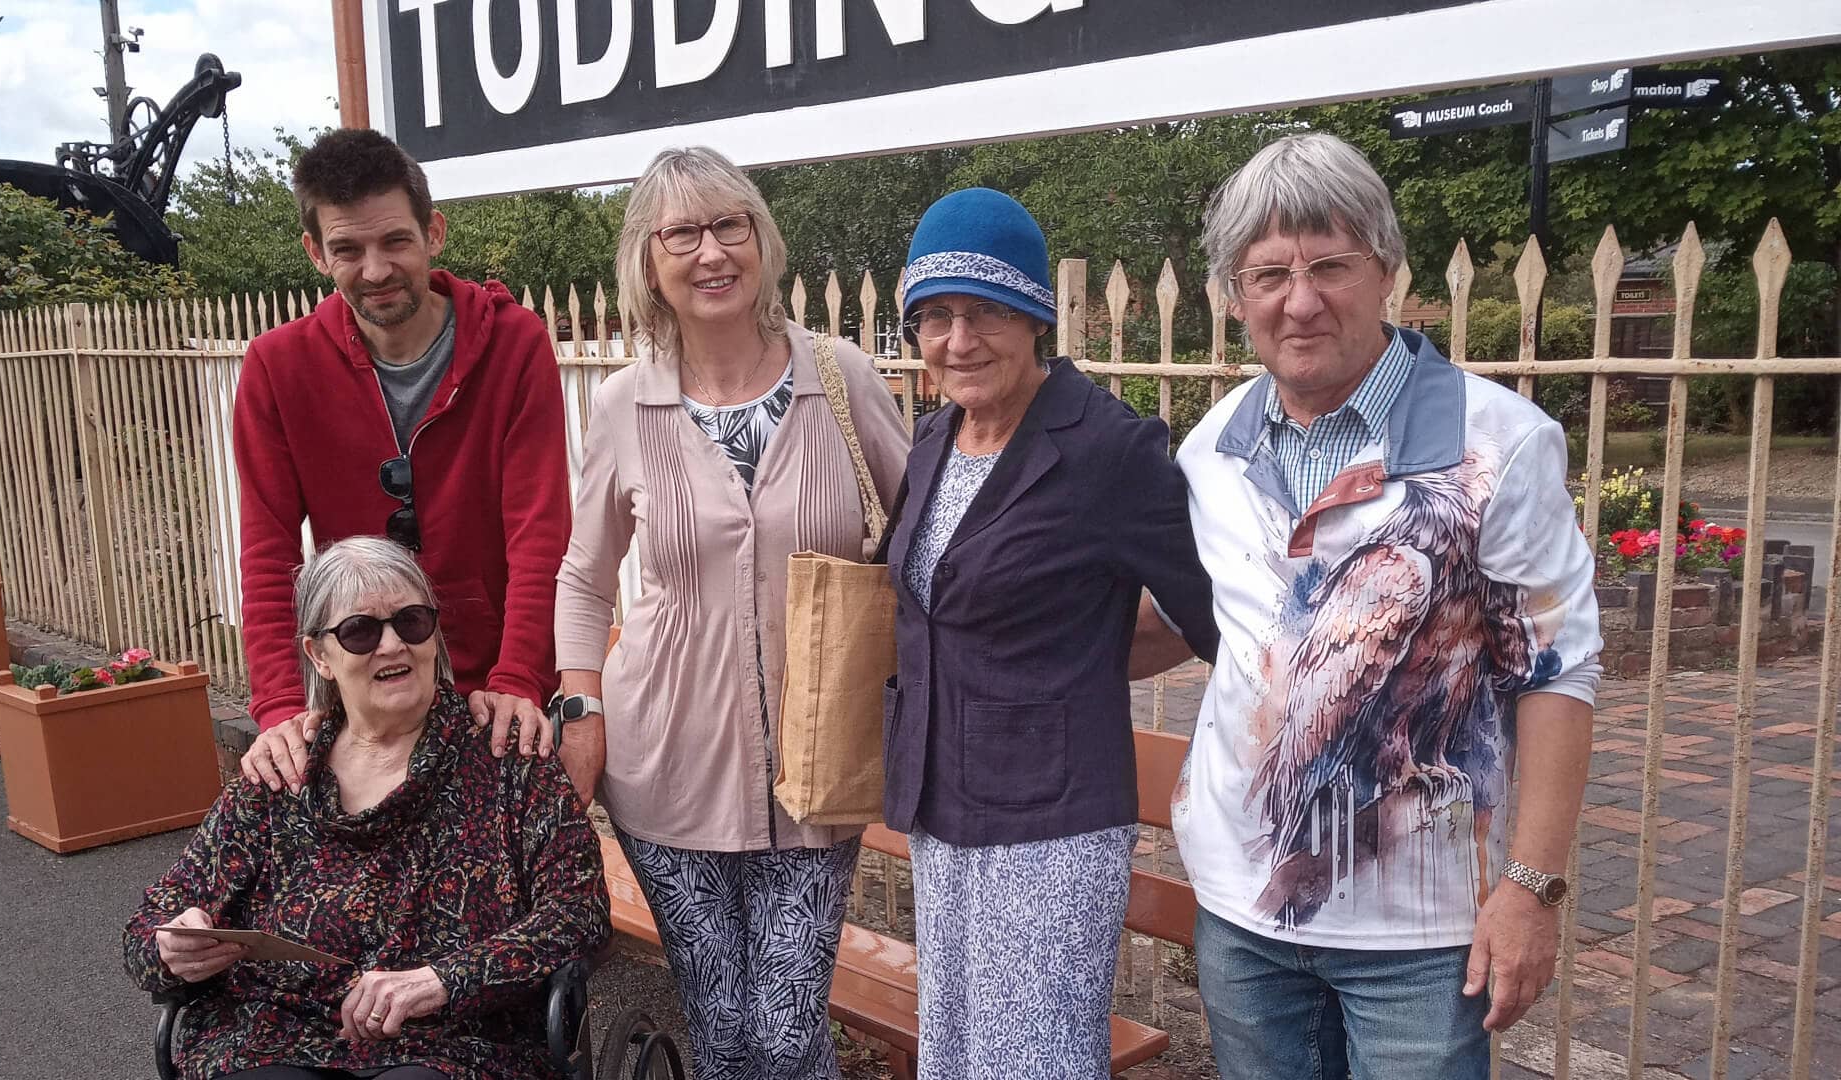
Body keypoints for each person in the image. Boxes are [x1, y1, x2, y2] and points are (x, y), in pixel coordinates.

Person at [1135, 132, 1602, 1080]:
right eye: (1268, 274)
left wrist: (1533, 888)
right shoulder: (1215, 443)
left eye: (1330, 266)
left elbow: (1559, 673)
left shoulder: (1499, 445)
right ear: (1235, 294)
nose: (1299, 301)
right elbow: (1200, 622)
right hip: (1241, 907)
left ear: (1387, 269)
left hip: (1420, 935)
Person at [550, 146, 910, 1080]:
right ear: (649, 262)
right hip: (663, 761)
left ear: (760, 239)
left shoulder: (840, 377)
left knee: (788, 1030)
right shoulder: (626, 404)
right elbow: (585, 579)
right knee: (721, 1028)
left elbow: (924, 536)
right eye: (682, 233)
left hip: (819, 764)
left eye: (729, 225)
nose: (710, 251)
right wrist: (581, 707)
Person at [879, 188, 1218, 1079]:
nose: (960, 340)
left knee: (1031, 1063)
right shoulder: (934, 439)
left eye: (987, 311)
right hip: (939, 809)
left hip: (1051, 828)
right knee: (952, 1054)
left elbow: (1213, 610)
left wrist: (1095, 659)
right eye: (937, 316)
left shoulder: (1108, 447)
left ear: (1034, 316)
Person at [124, 536, 610, 1080]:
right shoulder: (280, 774)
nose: (392, 645)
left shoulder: (507, 759)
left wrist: (442, 980)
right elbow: (149, 927)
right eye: (360, 631)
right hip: (273, 1035)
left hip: (455, 1043)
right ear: (319, 655)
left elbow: (579, 914)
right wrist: (173, 947)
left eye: (411, 621)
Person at [232, 128, 570, 793]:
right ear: (314, 253)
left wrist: (518, 677)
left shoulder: (512, 344)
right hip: (362, 691)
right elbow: (267, 551)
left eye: (395, 241)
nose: (376, 270)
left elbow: (539, 530)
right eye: (347, 249)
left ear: (434, 232)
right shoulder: (278, 367)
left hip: (489, 688)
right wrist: (278, 707)